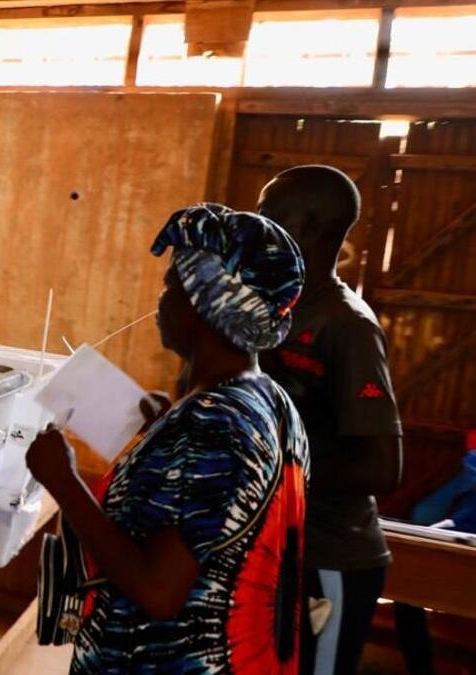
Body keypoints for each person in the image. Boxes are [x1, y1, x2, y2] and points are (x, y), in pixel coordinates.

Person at [28, 204, 309, 672]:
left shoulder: (212, 423)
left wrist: (63, 483)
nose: (160, 302)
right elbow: (211, 522)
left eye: (171, 287)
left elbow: (158, 592)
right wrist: (165, 433)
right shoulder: (269, 401)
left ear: (202, 305)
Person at [256, 165, 403, 675]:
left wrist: (275, 465)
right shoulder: (278, 310)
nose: (258, 223)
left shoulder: (348, 326)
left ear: (311, 228)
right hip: (276, 550)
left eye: (271, 214)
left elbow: (382, 468)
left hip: (330, 557)